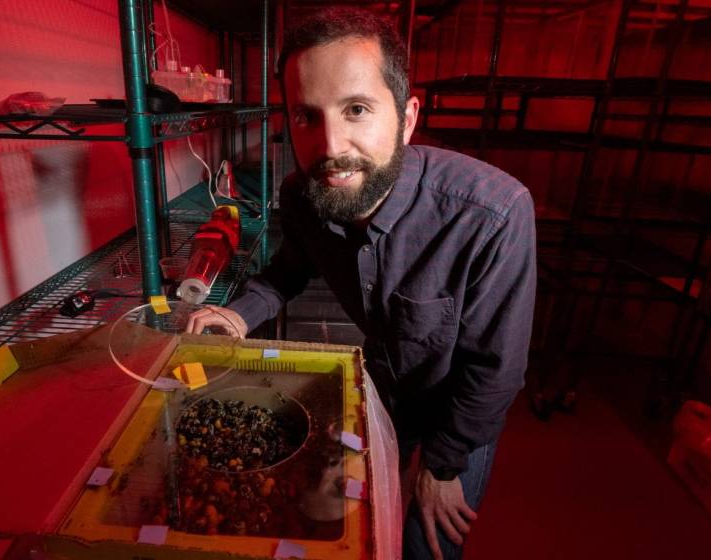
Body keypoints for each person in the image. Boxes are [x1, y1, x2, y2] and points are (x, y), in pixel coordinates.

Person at [185, 7, 536, 559]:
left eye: (357, 110)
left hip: (461, 411)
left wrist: (441, 466)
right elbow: (286, 272)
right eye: (306, 115)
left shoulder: (492, 213)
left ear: (408, 116)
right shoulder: (304, 195)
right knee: (357, 522)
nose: (330, 145)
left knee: (425, 543)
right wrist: (238, 313)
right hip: (381, 381)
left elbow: (496, 370)